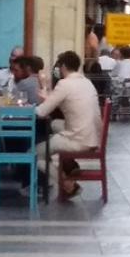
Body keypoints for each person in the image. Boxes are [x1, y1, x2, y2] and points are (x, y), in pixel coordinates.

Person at [36, 51, 103, 200]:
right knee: (55, 124)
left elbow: (41, 112)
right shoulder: (87, 82)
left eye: (59, 66)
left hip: (79, 140)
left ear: (64, 66)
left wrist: (43, 90)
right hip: (93, 136)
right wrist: (48, 98)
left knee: (36, 154)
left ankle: (66, 183)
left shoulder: (64, 84)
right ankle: (69, 164)